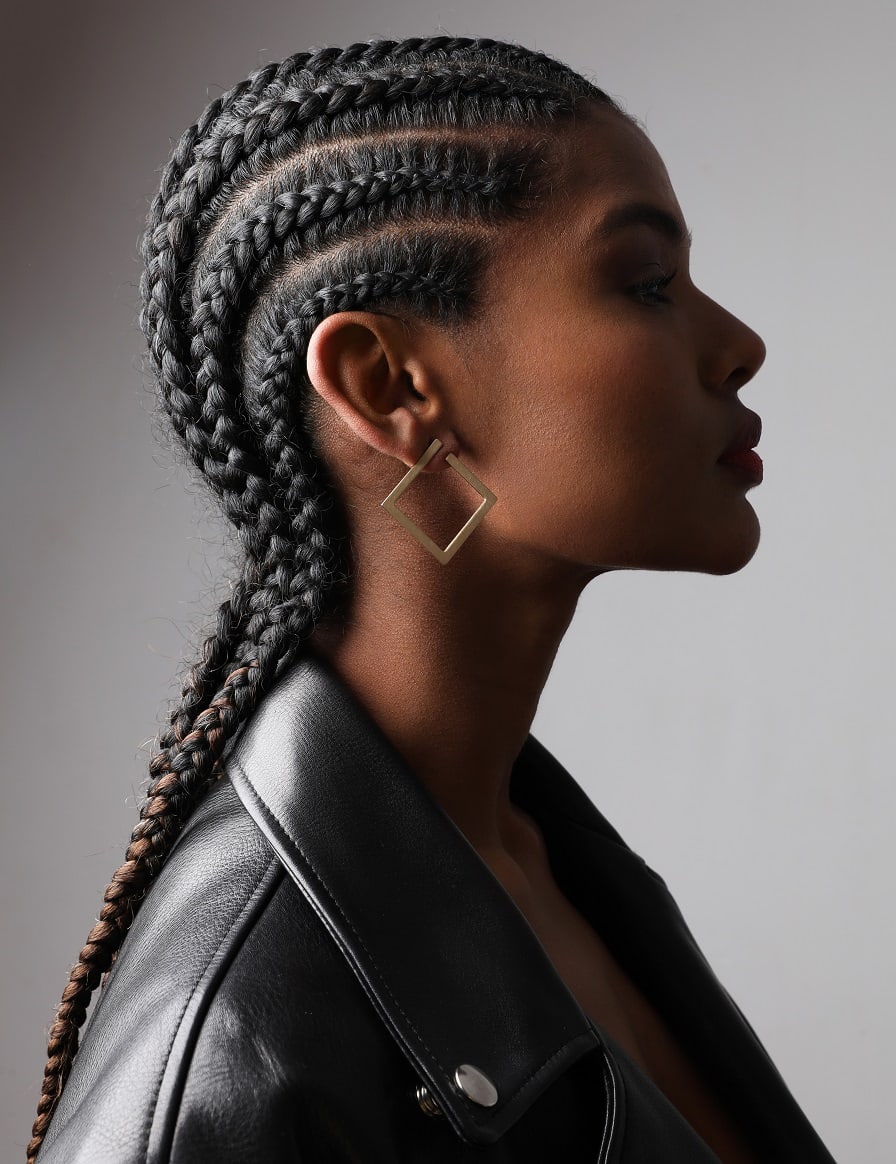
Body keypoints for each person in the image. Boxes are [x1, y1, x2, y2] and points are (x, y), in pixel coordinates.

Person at [28, 36, 837, 1164]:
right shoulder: (221, 1058)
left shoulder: (544, 858)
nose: (739, 346)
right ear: (390, 387)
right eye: (647, 284)